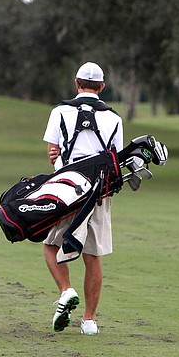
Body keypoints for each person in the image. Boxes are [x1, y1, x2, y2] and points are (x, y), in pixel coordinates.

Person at [42, 62, 124, 335]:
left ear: (76, 83)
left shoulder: (59, 112)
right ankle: (89, 320)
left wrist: (56, 157)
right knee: (93, 255)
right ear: (102, 87)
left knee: (51, 246)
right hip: (99, 192)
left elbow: (54, 151)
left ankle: (66, 291)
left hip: (66, 189)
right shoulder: (114, 118)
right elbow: (116, 160)